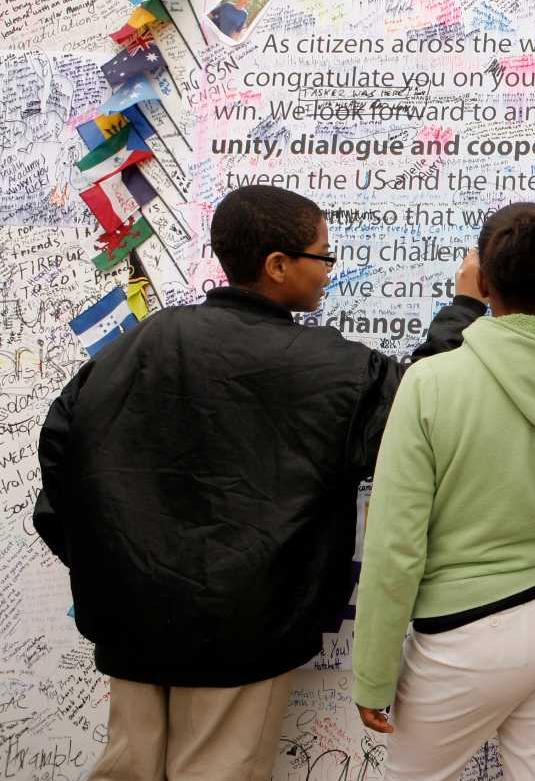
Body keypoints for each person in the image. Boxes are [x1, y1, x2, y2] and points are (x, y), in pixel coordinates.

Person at [32, 185, 485, 780]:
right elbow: (419, 408)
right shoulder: (328, 366)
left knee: (126, 768)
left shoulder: (138, 344)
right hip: (246, 627)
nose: (328, 273)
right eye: (322, 257)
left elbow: (59, 457)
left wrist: (110, 567)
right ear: (277, 266)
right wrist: (465, 308)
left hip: (130, 623)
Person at [353, 202, 535, 781]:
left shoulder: (431, 381)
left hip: (467, 634)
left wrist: (372, 672)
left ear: (482, 282)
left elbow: (395, 544)